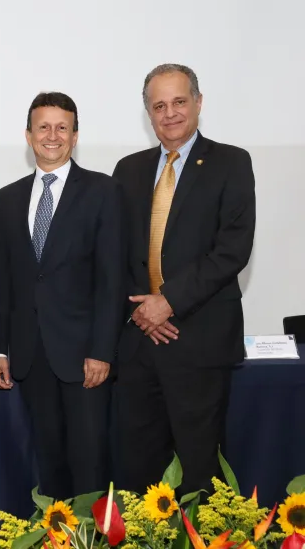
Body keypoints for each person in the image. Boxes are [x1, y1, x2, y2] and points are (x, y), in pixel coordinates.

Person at [112, 64, 255, 495]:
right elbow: (113, 254)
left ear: (198, 102)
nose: (169, 113)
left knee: (200, 475)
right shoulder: (128, 170)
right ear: (148, 113)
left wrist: (167, 302)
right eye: (159, 105)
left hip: (199, 342)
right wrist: (141, 310)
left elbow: (231, 250)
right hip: (139, 345)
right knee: (139, 476)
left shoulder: (231, 162)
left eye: (178, 101)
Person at [0, 92, 125, 499]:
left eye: (62, 127)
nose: (53, 136)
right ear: (28, 136)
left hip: (84, 357)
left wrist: (102, 350)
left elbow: (112, 278)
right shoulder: (8, 197)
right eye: (43, 127)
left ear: (75, 135)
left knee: (90, 465)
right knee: (49, 467)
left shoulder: (103, 191)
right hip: (31, 357)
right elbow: (2, 281)